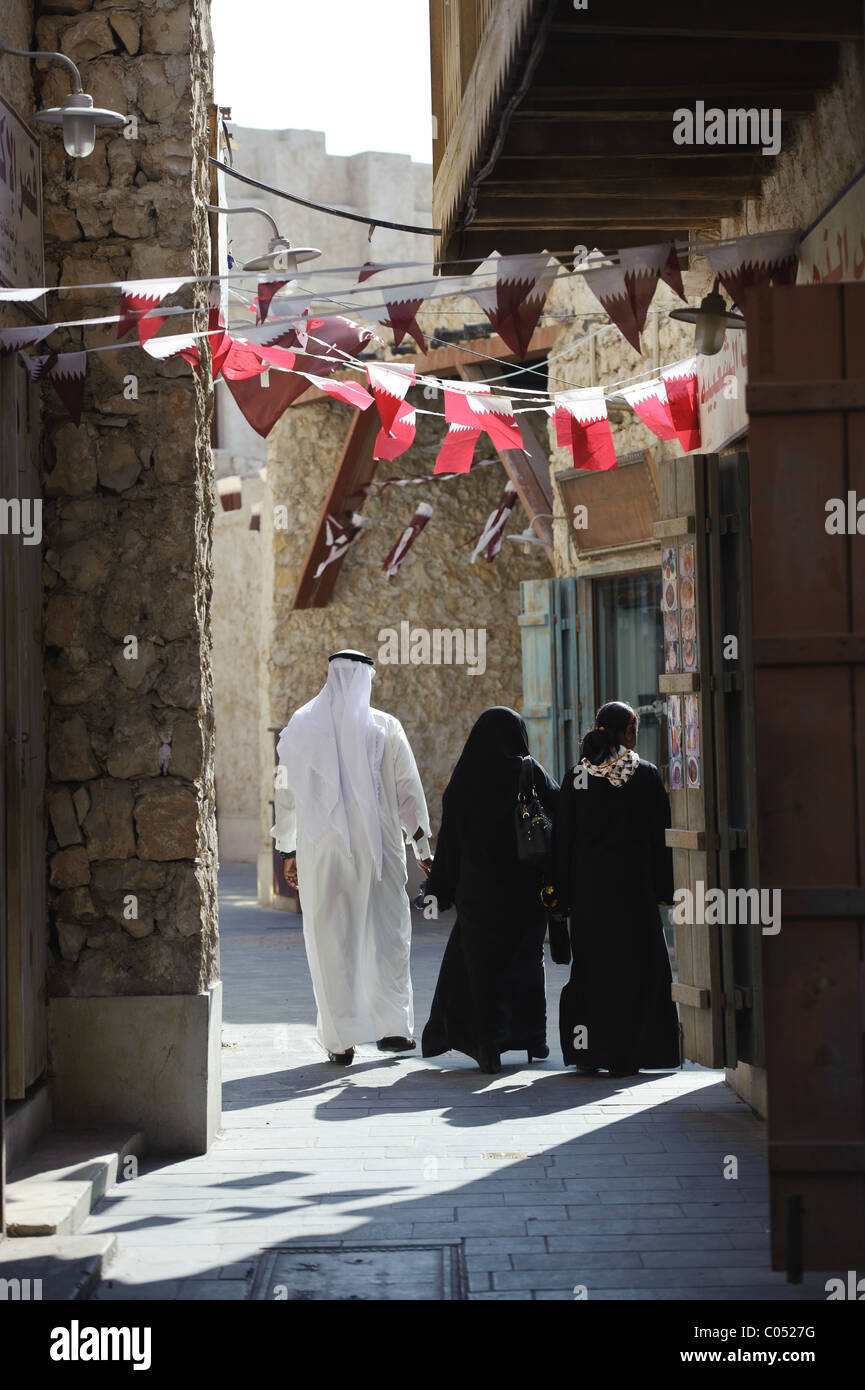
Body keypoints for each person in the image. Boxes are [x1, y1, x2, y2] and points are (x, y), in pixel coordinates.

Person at [272, 650, 432, 1066]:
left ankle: (340, 1038)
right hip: (378, 852)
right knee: (387, 936)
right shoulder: (385, 726)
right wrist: (423, 847)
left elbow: (285, 794)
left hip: (322, 853)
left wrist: (287, 849)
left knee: (332, 939)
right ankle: (393, 1028)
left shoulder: (301, 726)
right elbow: (408, 793)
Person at [421, 707, 559, 1074]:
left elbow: (450, 840)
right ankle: (532, 1038)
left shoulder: (464, 780)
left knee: (481, 968)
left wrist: (440, 889)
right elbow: (560, 814)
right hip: (525, 890)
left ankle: (487, 1045)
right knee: (525, 962)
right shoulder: (530, 770)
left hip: (478, 893)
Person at [553, 700, 680, 1077]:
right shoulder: (646, 775)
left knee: (594, 970)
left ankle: (590, 1052)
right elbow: (661, 841)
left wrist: (560, 896)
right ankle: (631, 1054)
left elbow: (563, 842)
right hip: (634, 894)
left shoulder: (577, 776)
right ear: (626, 732)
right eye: (634, 729)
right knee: (636, 971)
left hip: (590, 897)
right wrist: (664, 890)